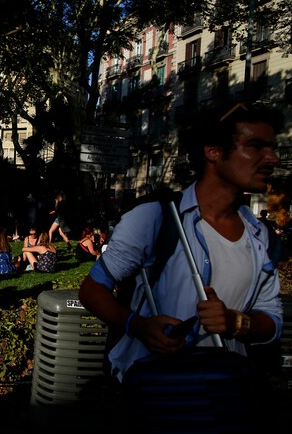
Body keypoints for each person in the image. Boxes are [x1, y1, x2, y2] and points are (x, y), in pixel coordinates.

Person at [78, 101, 285, 383]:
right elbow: (92, 290)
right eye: (256, 146)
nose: (272, 158)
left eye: (273, 147)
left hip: (228, 393)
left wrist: (237, 323)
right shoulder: (154, 218)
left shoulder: (262, 237)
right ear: (213, 150)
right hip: (153, 391)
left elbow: (272, 319)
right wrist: (138, 326)